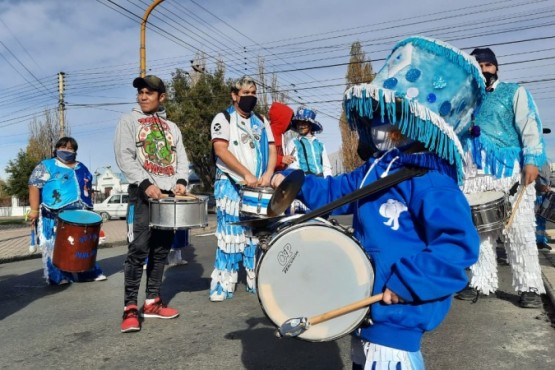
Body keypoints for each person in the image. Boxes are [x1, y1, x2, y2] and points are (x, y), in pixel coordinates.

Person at [272, 36, 480, 369]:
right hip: (365, 306)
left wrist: (406, 282)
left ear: (416, 122)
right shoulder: (375, 170)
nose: (377, 126)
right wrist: (295, 183)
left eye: (390, 116)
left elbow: (458, 250)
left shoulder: (433, 182)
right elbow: (337, 192)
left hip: (397, 313)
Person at [456, 48, 548, 308]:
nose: (484, 69)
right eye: (479, 65)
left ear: (496, 67)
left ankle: (529, 287)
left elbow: (530, 126)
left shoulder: (514, 92)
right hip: (472, 175)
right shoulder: (464, 100)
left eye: (488, 65)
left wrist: (532, 161)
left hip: (509, 172)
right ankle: (481, 283)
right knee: (479, 234)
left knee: (518, 230)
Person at [114, 75, 189, 333]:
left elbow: (182, 159)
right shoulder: (128, 121)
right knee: (138, 250)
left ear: (162, 97)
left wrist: (180, 181)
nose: (143, 96)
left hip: (167, 197)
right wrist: (146, 184)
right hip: (141, 194)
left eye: (149, 92)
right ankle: (130, 308)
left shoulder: (173, 127)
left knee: (160, 250)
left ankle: (153, 302)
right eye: (140, 92)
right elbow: (125, 156)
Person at [209, 75, 277, 302]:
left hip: (257, 185)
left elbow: (272, 149)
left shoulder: (261, 120)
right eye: (246, 94)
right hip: (229, 183)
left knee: (254, 235)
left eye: (253, 93)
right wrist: (244, 173)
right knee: (230, 234)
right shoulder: (223, 118)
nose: (250, 98)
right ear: (234, 95)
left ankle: (253, 278)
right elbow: (221, 150)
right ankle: (222, 285)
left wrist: (267, 174)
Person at [28, 136, 107, 285]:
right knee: (53, 245)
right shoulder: (47, 165)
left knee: (82, 244)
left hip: (80, 214)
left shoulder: (82, 167)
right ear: (56, 149)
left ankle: (86, 272)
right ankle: (56, 275)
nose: (66, 150)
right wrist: (33, 209)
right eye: (63, 147)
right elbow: (33, 186)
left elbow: (88, 189)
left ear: (75, 151)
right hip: (53, 214)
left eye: (70, 148)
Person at [285, 107, 332, 177]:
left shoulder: (319, 145)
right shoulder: (293, 143)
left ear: (310, 125)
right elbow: (293, 166)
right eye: (298, 123)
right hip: (304, 181)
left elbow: (326, 167)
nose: (300, 126)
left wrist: (328, 181)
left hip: (320, 181)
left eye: (304, 123)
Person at [268, 101, 295, 171]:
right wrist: (281, 159)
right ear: (282, 119)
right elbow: (263, 157)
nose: (290, 123)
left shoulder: (280, 135)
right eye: (289, 119)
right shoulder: (267, 133)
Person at [535, 162, 552, 251]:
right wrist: (541, 186)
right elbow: (534, 178)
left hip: (544, 196)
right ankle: (535, 241)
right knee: (535, 220)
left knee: (542, 220)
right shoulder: (534, 161)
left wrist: (548, 186)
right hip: (536, 196)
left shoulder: (545, 163)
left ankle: (541, 241)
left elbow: (548, 179)